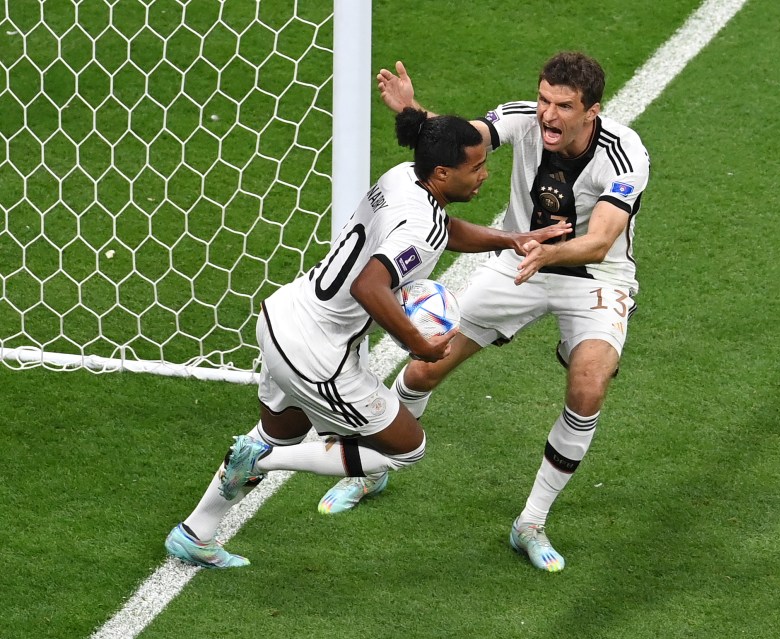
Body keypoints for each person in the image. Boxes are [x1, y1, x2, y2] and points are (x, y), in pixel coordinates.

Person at [164, 107, 570, 568]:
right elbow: (369, 286)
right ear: (442, 172)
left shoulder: (403, 177)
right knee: (403, 449)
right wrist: (418, 343)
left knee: (279, 432)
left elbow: (444, 228)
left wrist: (509, 239)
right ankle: (259, 463)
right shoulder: (424, 228)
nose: (484, 174)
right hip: (316, 353)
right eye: (475, 167)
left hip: (282, 316)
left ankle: (194, 532)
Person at [319, 52, 650, 573]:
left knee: (588, 384)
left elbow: (602, 239)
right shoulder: (522, 118)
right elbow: (456, 143)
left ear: (593, 110)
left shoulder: (624, 151)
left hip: (593, 278)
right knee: (424, 365)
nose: (548, 115)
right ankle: (372, 468)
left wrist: (548, 251)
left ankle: (531, 524)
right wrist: (412, 113)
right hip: (516, 260)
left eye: (564, 106)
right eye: (544, 99)